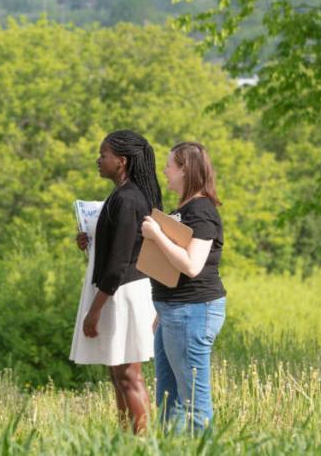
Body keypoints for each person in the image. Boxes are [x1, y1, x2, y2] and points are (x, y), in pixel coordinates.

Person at [70, 130, 161, 434]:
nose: (98, 160)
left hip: (123, 294)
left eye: (103, 155)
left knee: (129, 375)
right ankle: (125, 441)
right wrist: (93, 240)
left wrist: (94, 311)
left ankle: (142, 442)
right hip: (117, 293)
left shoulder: (128, 199)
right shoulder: (122, 196)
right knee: (117, 373)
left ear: (121, 161)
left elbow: (121, 263)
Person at [140, 142, 226, 434]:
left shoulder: (201, 210)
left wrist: (156, 234)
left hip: (194, 311)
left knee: (193, 402)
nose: (164, 171)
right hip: (173, 312)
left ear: (185, 170)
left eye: (169, 166)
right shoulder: (184, 209)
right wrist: (161, 311)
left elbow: (191, 265)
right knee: (169, 399)